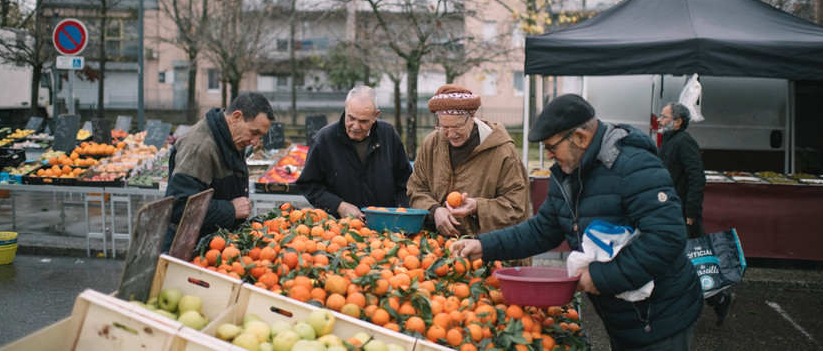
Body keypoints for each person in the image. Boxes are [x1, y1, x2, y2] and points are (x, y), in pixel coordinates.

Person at [451, 94, 703, 351]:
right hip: (623, 315)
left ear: (581, 137)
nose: (548, 155)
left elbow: (667, 238)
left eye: (552, 147)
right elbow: (542, 229)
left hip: (661, 315)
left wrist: (601, 277)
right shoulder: (567, 175)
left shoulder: (635, 166)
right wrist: (483, 245)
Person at [407, 84, 530, 237]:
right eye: (444, 126)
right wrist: (434, 210)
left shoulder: (502, 151)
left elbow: (516, 205)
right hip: (437, 247)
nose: (451, 134)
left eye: (457, 126)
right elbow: (415, 189)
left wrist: (478, 206)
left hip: (487, 249)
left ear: (472, 117)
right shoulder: (430, 144)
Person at [163, 92, 274, 251]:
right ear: (235, 117)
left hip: (215, 245)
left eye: (260, 136)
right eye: (254, 132)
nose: (255, 142)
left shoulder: (229, 137)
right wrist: (231, 209)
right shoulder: (199, 148)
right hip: (191, 252)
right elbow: (179, 207)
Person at [658, 101, 736, 326]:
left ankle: (718, 299)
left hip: (683, 215)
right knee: (688, 262)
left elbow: (697, 178)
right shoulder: (668, 142)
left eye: (664, 117)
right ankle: (719, 300)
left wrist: (691, 212)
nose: (660, 121)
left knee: (692, 263)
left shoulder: (684, 142)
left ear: (678, 121)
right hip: (669, 212)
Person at [297, 85, 411, 219]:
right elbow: (309, 184)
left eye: (363, 121)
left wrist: (401, 211)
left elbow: (406, 181)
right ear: (346, 107)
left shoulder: (389, 135)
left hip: (386, 228)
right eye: (351, 118)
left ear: (375, 116)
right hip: (339, 231)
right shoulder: (324, 140)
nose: (355, 126)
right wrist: (339, 206)